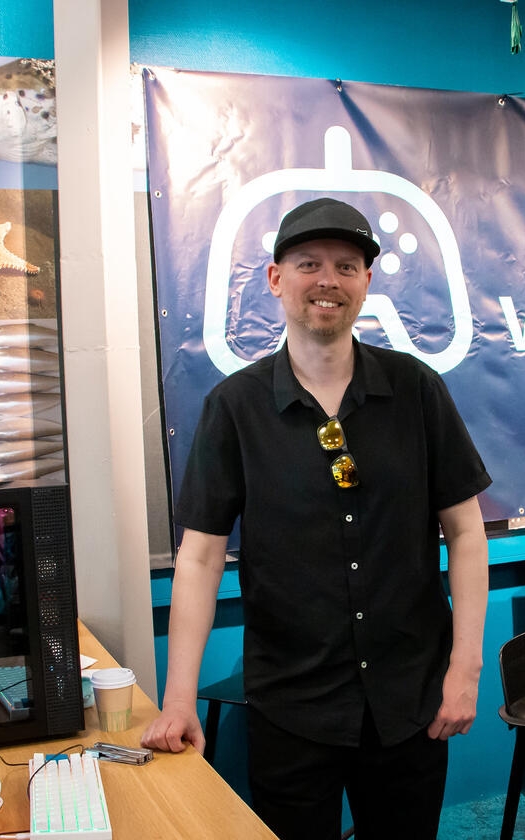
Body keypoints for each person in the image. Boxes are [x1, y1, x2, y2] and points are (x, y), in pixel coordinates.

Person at [141, 197, 491, 840]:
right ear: (276, 279)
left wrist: (465, 672)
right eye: (309, 264)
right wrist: (178, 699)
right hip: (291, 707)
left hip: (409, 700)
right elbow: (200, 557)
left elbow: (466, 533)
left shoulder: (415, 389)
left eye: (346, 266)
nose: (328, 280)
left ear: (366, 282)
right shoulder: (234, 407)